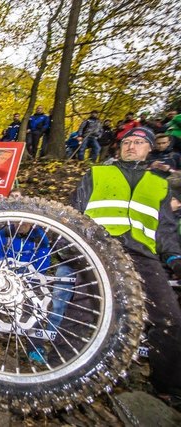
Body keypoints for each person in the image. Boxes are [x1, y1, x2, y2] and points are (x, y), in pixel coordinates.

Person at [72, 126, 181, 408]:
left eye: (139, 142)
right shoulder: (96, 173)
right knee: (82, 310)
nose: (132, 146)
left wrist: (175, 259)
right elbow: (74, 213)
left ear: (149, 149)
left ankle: (167, 388)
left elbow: (166, 231)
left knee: (170, 319)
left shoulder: (159, 184)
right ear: (119, 148)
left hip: (143, 256)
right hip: (100, 249)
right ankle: (63, 371)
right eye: (127, 142)